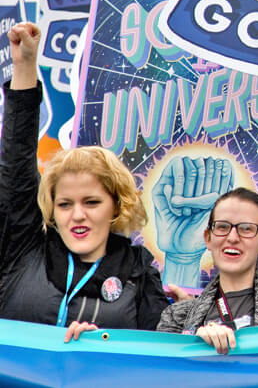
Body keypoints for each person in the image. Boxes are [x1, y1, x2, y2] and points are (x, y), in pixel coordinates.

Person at [0, 22, 169, 341]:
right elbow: (16, 167)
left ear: (116, 206)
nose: (77, 214)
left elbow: (159, 352)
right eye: (64, 204)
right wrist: (24, 65)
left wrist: (101, 345)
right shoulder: (24, 248)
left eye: (91, 202)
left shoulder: (138, 267)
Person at [156, 56, 258, 353]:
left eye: (246, 228)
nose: (232, 237)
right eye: (222, 227)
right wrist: (195, 342)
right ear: (207, 237)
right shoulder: (177, 317)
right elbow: (161, 375)